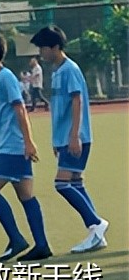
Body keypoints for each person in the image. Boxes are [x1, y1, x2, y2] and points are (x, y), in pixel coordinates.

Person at [0, 34, 51, 262]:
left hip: (13, 147)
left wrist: (28, 141)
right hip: (6, 147)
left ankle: (16, 239)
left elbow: (20, 109)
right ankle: (42, 245)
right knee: (26, 195)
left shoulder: (5, 78)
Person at [30, 25, 109, 254]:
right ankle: (96, 234)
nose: (41, 53)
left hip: (76, 137)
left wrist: (74, 135)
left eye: (43, 48)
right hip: (65, 137)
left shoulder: (69, 69)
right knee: (75, 182)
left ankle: (96, 223)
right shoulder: (57, 71)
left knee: (61, 183)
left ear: (55, 47)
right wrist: (58, 140)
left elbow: (77, 101)